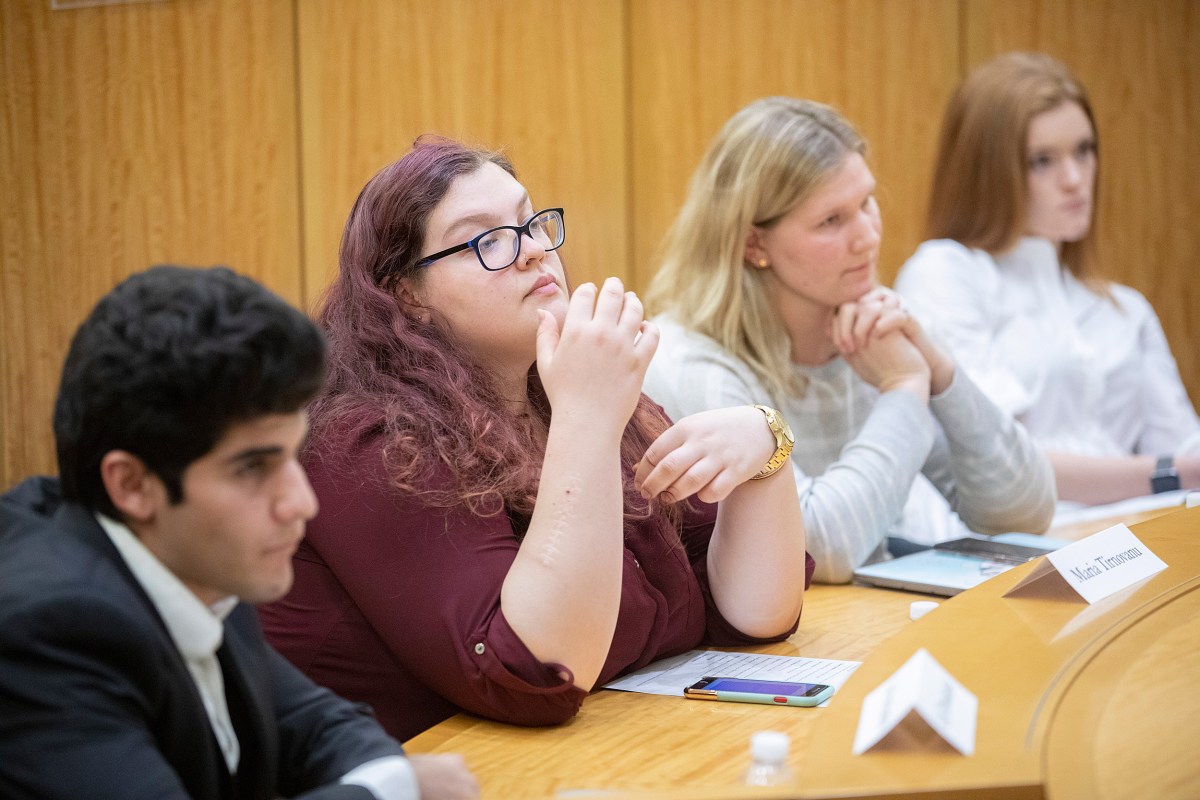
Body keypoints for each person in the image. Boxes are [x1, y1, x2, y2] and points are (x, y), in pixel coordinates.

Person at [260, 137, 812, 743]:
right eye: (487, 240)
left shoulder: (563, 391)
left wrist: (767, 444)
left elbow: (750, 613)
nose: (533, 250)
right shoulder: (371, 443)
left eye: (531, 222)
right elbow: (535, 671)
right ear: (407, 296)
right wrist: (587, 417)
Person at [0, 266, 478, 800]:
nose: (301, 503)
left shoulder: (192, 560)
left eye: (293, 456)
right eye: (252, 468)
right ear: (132, 485)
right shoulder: (46, 632)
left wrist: (384, 776)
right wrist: (391, 790)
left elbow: (315, 724)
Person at [641, 97, 1056, 584]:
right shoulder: (691, 364)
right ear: (755, 244)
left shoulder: (872, 337)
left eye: (866, 203)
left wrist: (940, 371)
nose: (868, 238)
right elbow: (815, 550)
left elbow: (1023, 513)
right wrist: (904, 389)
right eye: (831, 221)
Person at [895, 52, 1200, 508]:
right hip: (1028, 539)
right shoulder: (946, 274)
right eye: (1042, 161)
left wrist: (1178, 472)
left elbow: (1183, 448)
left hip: (1152, 535)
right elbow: (1001, 461)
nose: (1075, 179)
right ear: (988, 172)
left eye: (1084, 150)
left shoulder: (1125, 309)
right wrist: (1167, 474)